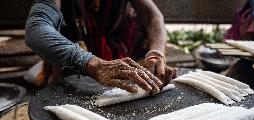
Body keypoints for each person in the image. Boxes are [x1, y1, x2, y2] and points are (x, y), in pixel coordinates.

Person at [25, 0, 176, 94]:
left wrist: (156, 54)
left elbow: (153, 16)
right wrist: (91, 63)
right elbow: (36, 29)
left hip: (121, 62)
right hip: (73, 75)